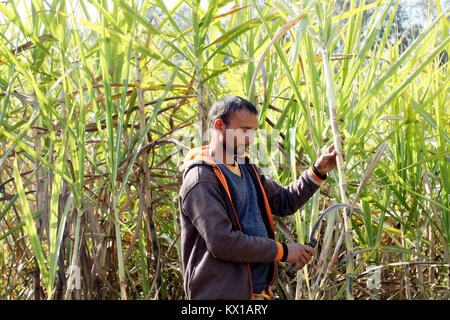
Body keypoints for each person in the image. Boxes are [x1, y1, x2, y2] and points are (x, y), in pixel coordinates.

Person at [177, 95, 339, 300]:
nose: (250, 139)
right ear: (219, 126)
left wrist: (317, 172)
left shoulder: (246, 168)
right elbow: (222, 242)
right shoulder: (201, 179)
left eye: (252, 132)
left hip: (257, 294)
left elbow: (284, 201)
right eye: (244, 131)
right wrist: (282, 251)